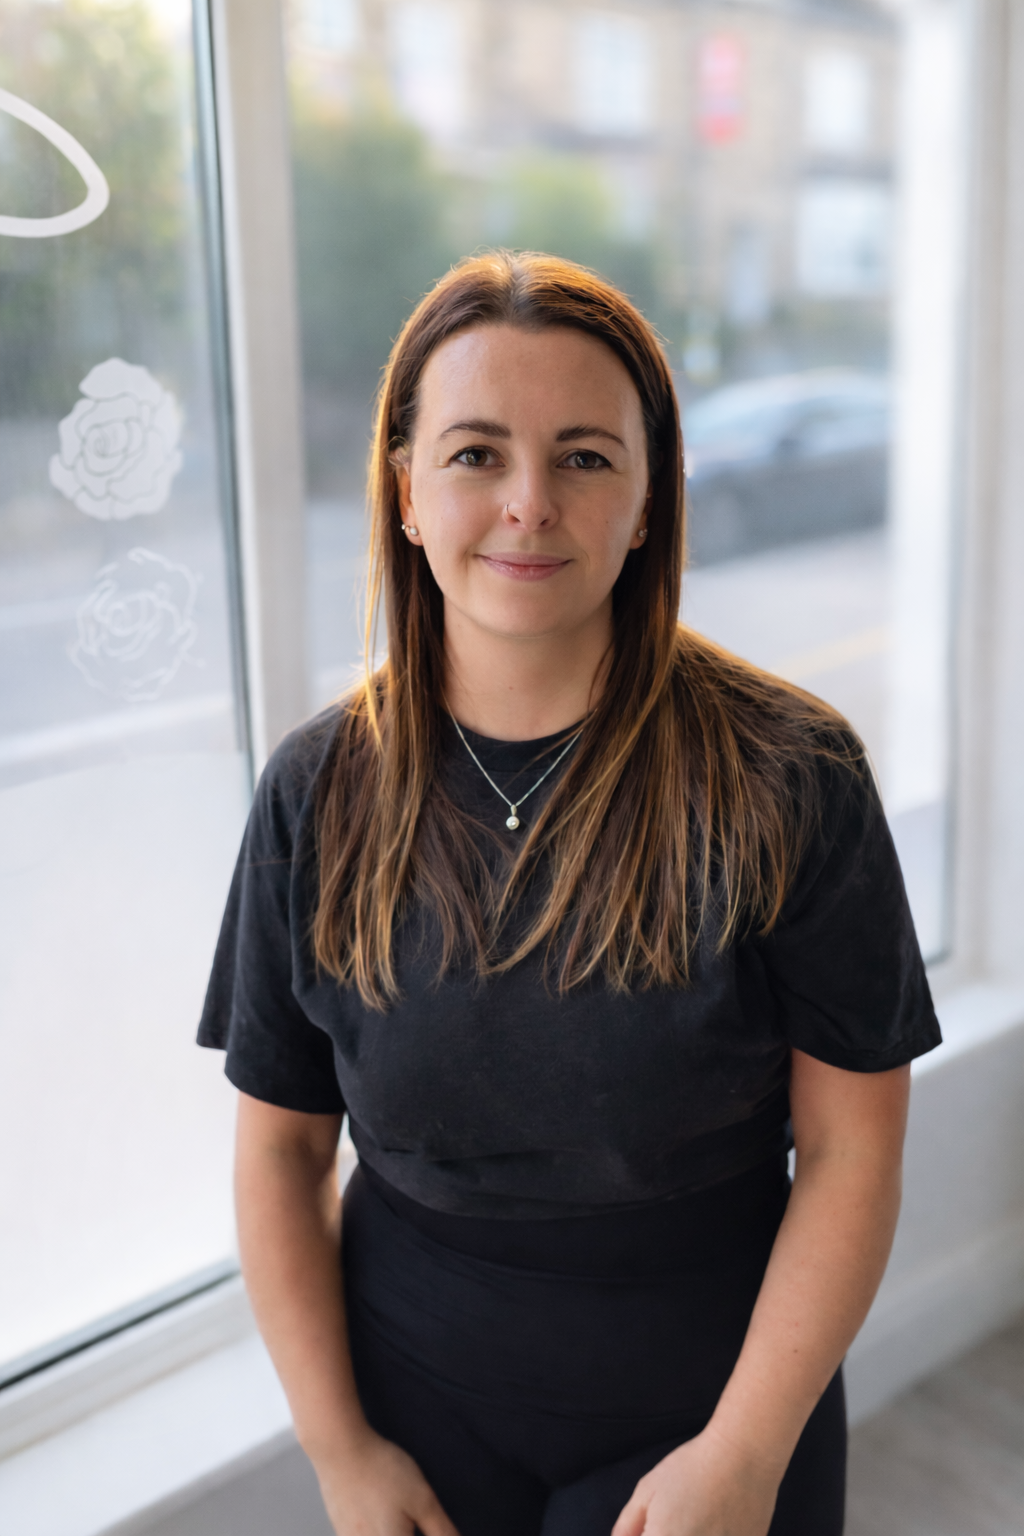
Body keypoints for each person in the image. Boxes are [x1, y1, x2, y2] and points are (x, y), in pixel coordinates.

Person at [198, 250, 941, 1536]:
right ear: (408, 492)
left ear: (649, 501)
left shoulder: (790, 774)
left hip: (714, 1399)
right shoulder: (316, 791)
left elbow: (848, 1148)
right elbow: (279, 1151)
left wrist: (747, 1455)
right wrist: (340, 1454)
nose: (529, 503)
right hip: (413, 1405)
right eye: (476, 453)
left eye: (586, 457)